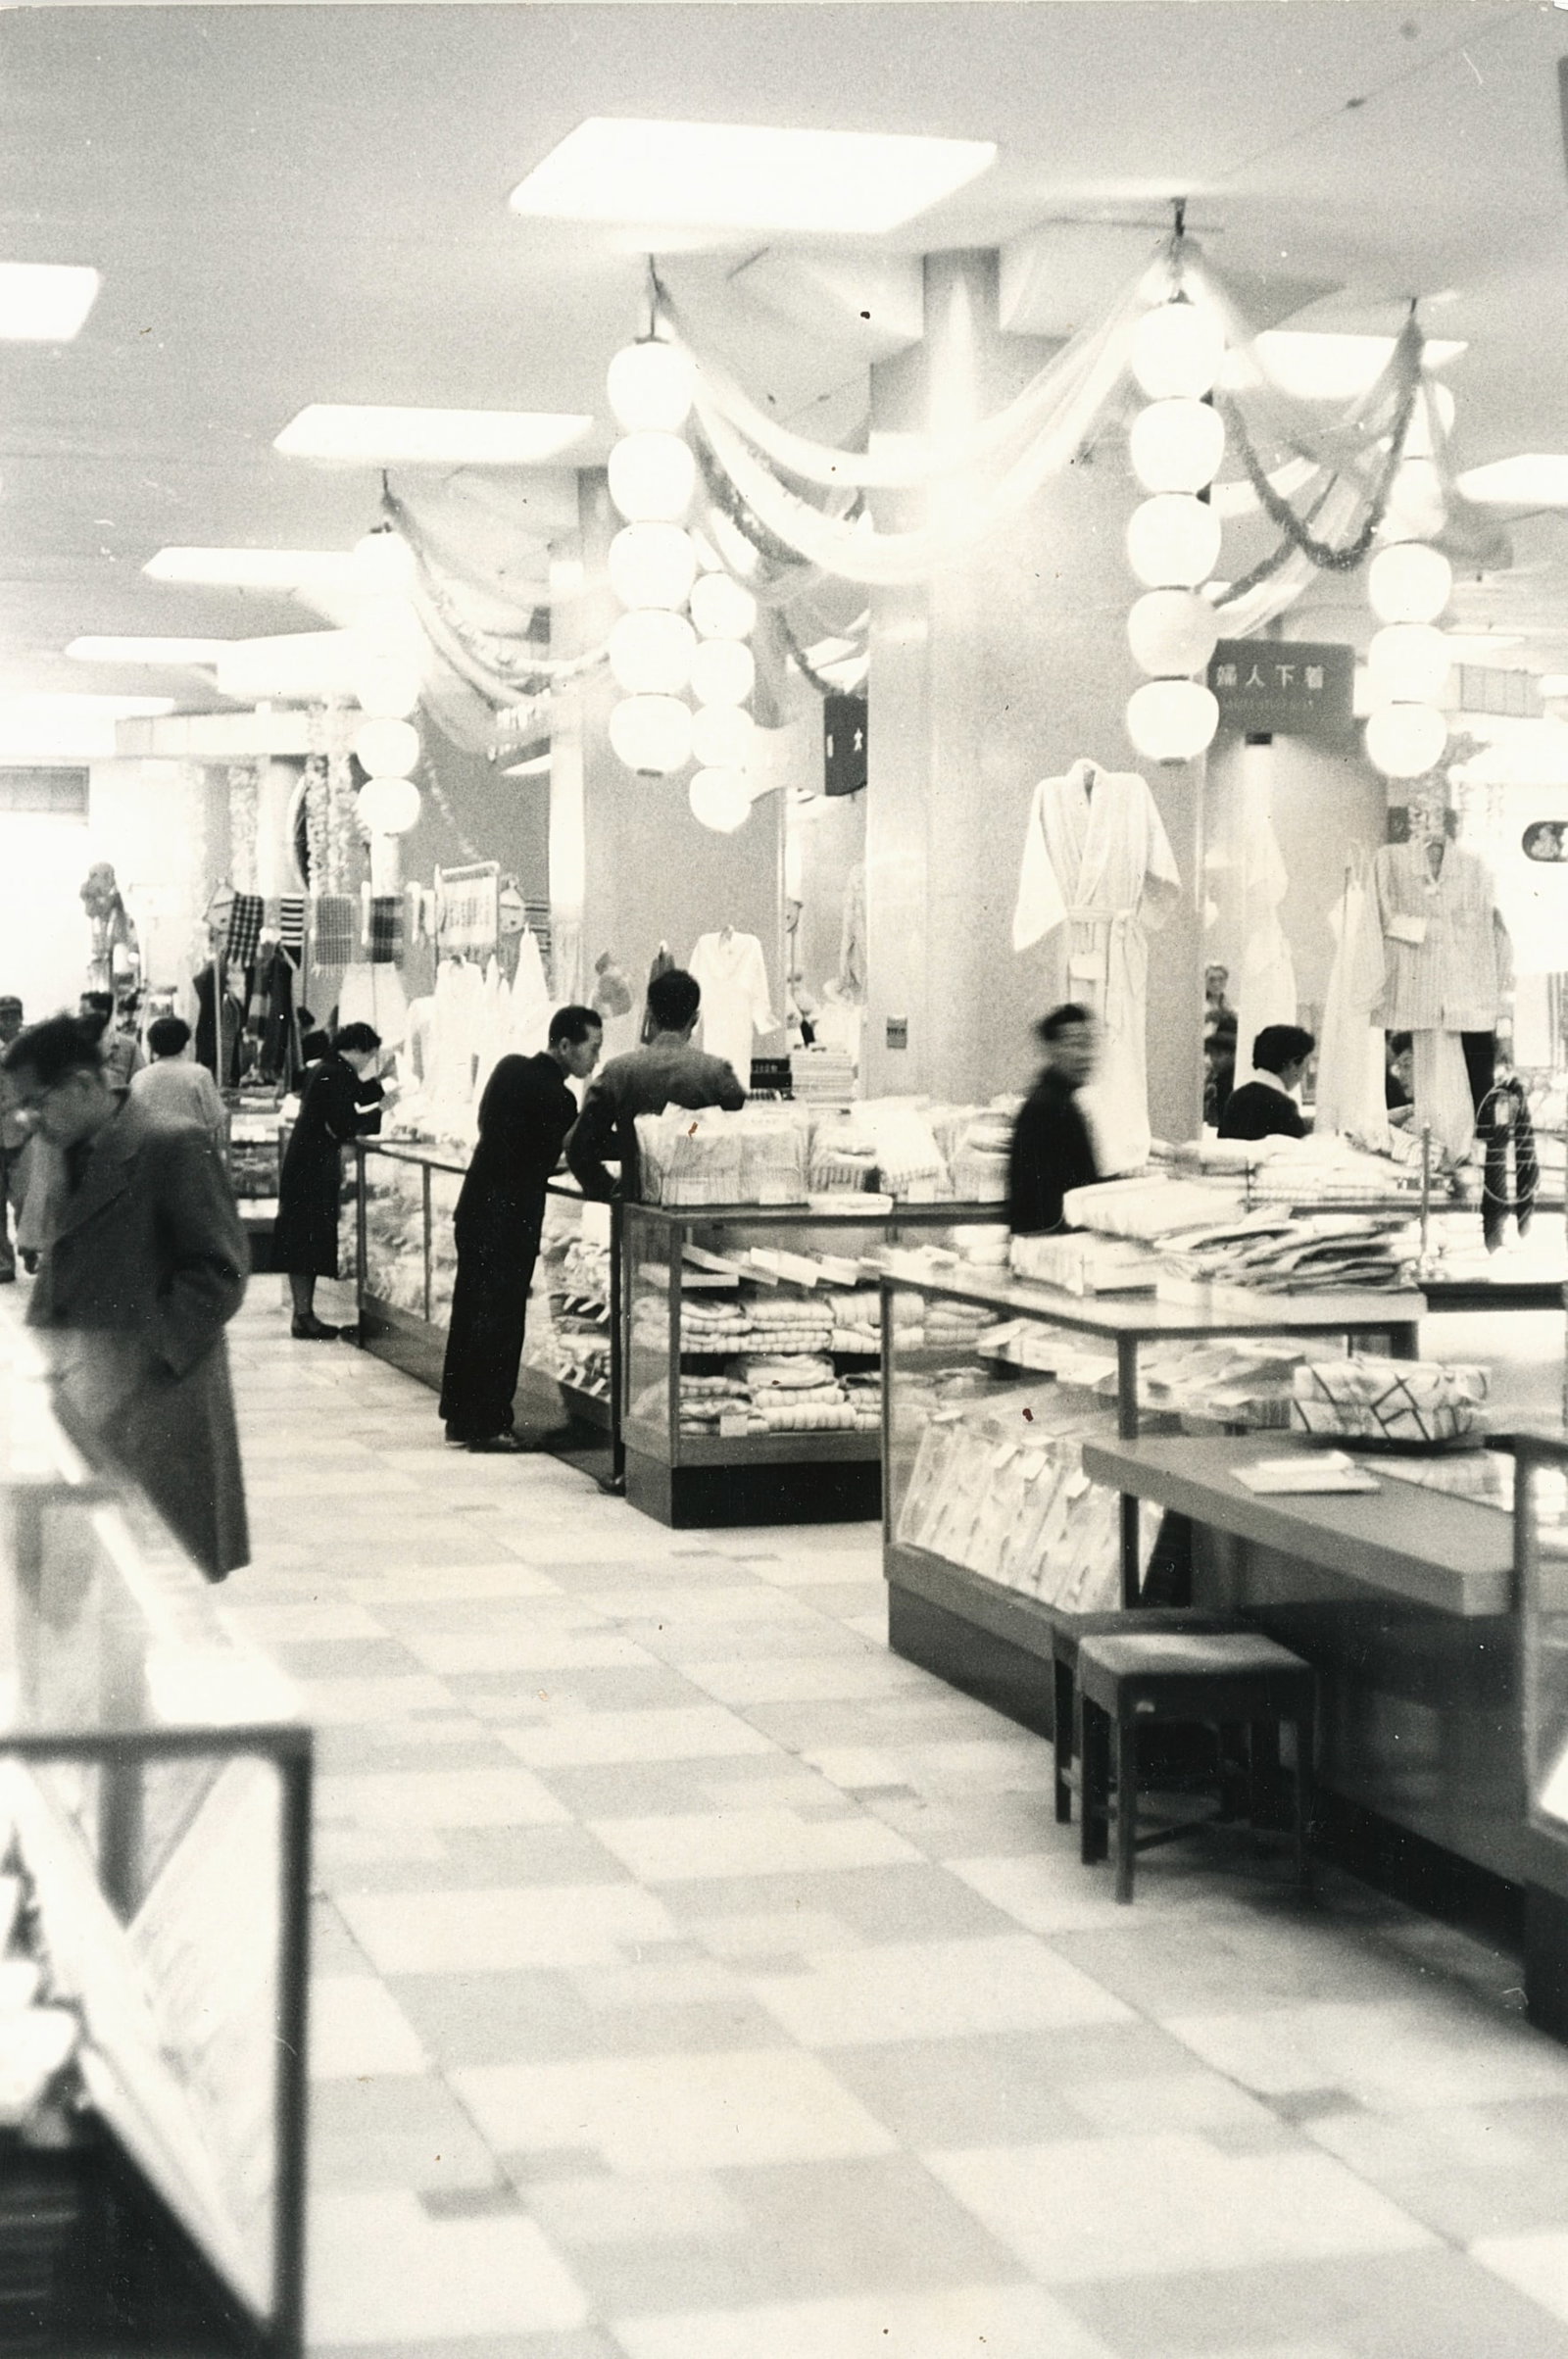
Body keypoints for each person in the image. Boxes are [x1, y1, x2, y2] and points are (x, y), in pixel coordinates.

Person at [0, 1012, 248, 1580]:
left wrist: (137, 1356)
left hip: (159, 1404)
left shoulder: (172, 1143)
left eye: (37, 1102)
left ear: (85, 1085)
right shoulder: (65, 1148)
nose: (29, 1119)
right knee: (90, 1584)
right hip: (86, 1400)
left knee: (153, 1584)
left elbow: (219, 1269)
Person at [439, 1005, 604, 1452]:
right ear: (565, 1045)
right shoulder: (561, 1098)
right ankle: (490, 1423)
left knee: (471, 1311)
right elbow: (553, 1156)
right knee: (502, 1321)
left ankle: (461, 1416)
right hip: (510, 1219)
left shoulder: (507, 1068)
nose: (596, 1060)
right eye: (592, 1048)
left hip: (475, 1208)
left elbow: (491, 1129)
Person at [566, 966, 746, 1202]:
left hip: (637, 1207)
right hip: (705, 1209)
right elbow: (742, 1140)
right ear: (695, 1018)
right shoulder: (717, 1074)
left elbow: (578, 1147)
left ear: (649, 1015)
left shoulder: (618, 1072)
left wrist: (611, 1190)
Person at [272, 1021, 384, 1341]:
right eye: (370, 1056)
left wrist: (381, 1086)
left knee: (303, 1240)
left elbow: (355, 1094)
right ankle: (303, 1316)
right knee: (305, 1240)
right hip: (312, 1168)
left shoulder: (330, 1067)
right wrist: (380, 1113)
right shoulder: (334, 1072)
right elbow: (343, 1123)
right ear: (358, 1050)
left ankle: (303, 1314)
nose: (367, 1064)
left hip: (305, 1166)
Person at [1007, 1004, 1102, 1236]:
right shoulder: (1048, 1107)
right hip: (1050, 1246)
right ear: (1052, 1049)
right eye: (1075, 1044)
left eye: (1089, 1044)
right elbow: (1045, 1202)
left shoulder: (1061, 1101)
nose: (1085, 1055)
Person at [129, 1014, 227, 1144]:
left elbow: (132, 1121)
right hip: (191, 1151)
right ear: (185, 1044)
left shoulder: (140, 1077)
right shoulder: (200, 1074)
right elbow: (216, 1118)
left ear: (151, 1046)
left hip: (151, 1153)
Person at [1218, 1022, 1315, 1142]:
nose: (1303, 1076)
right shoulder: (1282, 1105)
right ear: (1292, 1064)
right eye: (1305, 1066)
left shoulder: (1237, 1097)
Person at [0, 997, 26, 1281]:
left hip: (24, 1135)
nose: (6, 1021)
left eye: (11, 1016)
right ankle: (3, 1263)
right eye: (2, 1016)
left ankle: (29, 1246)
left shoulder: (31, 1049)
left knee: (23, 1199)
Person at [79, 989, 144, 1091]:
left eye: (85, 1014)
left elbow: (140, 1085)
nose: (80, 1019)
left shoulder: (129, 1046)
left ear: (103, 1014)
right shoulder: (75, 1046)